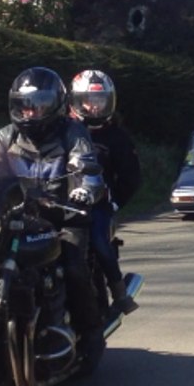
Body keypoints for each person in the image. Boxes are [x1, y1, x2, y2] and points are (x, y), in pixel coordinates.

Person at [0, 66, 107, 355]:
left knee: (73, 267)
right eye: (24, 105)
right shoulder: (6, 136)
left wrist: (84, 189)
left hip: (64, 218)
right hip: (18, 219)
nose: (30, 112)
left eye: (38, 105)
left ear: (56, 104)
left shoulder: (73, 133)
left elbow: (89, 168)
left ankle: (91, 333)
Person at [68, 69, 141, 316]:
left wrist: (114, 204)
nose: (94, 106)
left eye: (100, 100)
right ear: (77, 100)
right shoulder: (62, 130)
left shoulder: (117, 137)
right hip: (59, 201)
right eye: (89, 100)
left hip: (97, 204)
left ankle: (119, 293)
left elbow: (132, 178)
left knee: (99, 242)